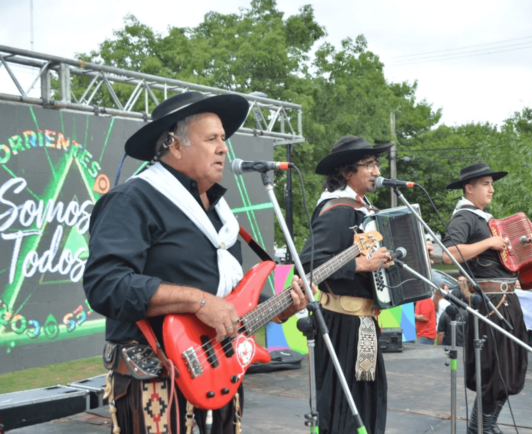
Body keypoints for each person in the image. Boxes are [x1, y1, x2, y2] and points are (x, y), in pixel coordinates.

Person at [83, 92, 308, 434]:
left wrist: (279, 308)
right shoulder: (131, 201)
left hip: (218, 376)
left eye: (224, 139)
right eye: (212, 139)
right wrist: (197, 301)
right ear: (174, 144)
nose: (224, 148)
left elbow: (226, 299)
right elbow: (105, 285)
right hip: (158, 383)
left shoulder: (220, 215)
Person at [298, 135, 395, 434]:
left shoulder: (363, 211)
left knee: (363, 404)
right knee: (344, 406)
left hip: (362, 322)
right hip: (341, 324)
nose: (377, 172)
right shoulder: (338, 211)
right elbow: (310, 264)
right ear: (345, 172)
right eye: (369, 165)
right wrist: (360, 264)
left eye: (376, 164)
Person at [442, 163, 529, 434]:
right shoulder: (464, 217)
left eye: (492, 183)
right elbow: (448, 255)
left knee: (511, 364)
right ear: (469, 188)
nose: (491, 189)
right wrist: (489, 243)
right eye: (485, 184)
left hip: (505, 300)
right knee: (497, 368)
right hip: (489, 303)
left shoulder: (485, 218)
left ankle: (484, 424)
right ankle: (480, 426)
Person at [436, 276, 471, 347]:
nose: (461, 282)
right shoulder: (466, 313)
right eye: (459, 280)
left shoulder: (445, 314)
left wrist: (438, 347)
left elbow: (440, 333)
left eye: (462, 281)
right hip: (464, 346)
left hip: (450, 346)